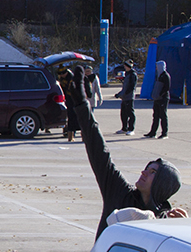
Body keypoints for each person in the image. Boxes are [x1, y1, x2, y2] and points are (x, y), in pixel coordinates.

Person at [64, 68, 181, 236]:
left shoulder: (164, 223)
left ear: (163, 184)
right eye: (147, 169)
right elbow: (99, 151)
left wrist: (181, 227)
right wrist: (82, 105)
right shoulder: (119, 193)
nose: (144, 173)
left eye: (153, 172)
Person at [145, 60, 171, 138]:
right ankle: (153, 132)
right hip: (157, 98)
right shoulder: (159, 75)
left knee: (163, 115)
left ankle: (164, 133)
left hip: (163, 98)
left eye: (157, 66)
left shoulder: (166, 76)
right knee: (155, 115)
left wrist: (160, 94)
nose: (156, 68)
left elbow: (166, 87)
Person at [116, 62, 138, 134]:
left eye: (126, 66)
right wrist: (120, 94)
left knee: (130, 113)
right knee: (123, 113)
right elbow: (124, 87)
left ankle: (131, 129)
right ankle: (124, 128)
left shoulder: (133, 75)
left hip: (129, 97)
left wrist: (124, 94)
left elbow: (131, 87)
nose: (125, 67)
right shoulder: (127, 74)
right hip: (124, 97)